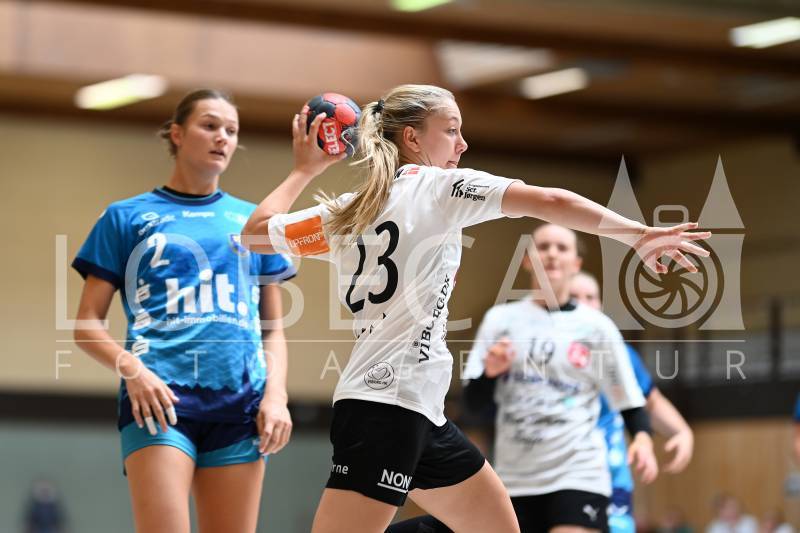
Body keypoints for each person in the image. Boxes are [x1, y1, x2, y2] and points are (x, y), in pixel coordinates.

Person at [242, 84, 710, 533]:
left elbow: (255, 234)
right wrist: (636, 234)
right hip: (385, 408)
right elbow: (549, 200)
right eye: (451, 130)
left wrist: (305, 169)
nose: (462, 144)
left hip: (421, 410)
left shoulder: (348, 211)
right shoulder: (439, 188)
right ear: (412, 138)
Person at [72, 89, 295, 533]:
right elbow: (85, 325)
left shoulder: (253, 222)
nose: (222, 137)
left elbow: (272, 329)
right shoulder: (125, 217)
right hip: (159, 398)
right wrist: (133, 371)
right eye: (210, 125)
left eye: (231, 130)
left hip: (242, 405)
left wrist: (277, 396)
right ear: (177, 134)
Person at [460, 224, 658, 533]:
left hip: (580, 474)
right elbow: (472, 405)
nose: (552, 254)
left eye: (562, 248)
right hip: (515, 479)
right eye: (543, 247)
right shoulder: (500, 320)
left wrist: (643, 438)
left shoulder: (597, 327)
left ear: (576, 264)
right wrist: (490, 373)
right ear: (527, 260)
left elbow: (629, 398)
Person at [571, 271, 694, 533]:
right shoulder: (544, 351)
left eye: (590, 297)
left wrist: (681, 431)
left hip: (611, 473)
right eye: (574, 296)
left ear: (600, 304)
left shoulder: (619, 352)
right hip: (563, 473)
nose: (583, 303)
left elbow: (651, 400)